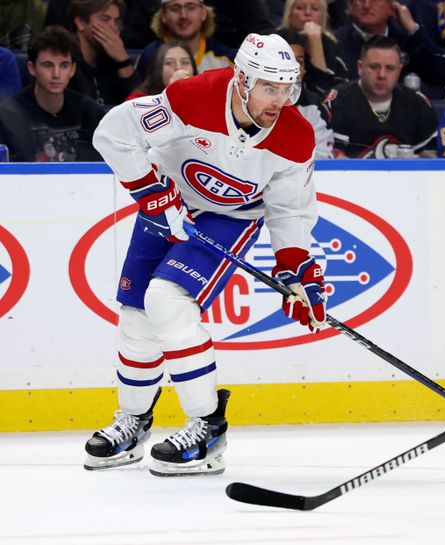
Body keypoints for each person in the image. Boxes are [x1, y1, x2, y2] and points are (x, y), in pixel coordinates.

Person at [85, 32, 325, 476]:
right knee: (136, 313)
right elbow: (113, 134)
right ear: (242, 80)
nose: (280, 100)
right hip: (167, 201)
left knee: (166, 300)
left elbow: (290, 210)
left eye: (287, 88)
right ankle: (134, 421)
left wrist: (296, 271)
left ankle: (208, 428)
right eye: (270, 88)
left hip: (230, 217)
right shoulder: (191, 96)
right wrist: (153, 197)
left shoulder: (295, 135)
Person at [0, 26, 105, 162]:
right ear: (32, 68)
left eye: (64, 65)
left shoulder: (89, 111)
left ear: (72, 69)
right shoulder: (10, 114)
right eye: (48, 65)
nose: (56, 74)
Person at [322, 35, 439, 158]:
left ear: (399, 70)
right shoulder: (338, 101)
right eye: (374, 67)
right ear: (360, 68)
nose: (382, 75)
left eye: (390, 68)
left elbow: (431, 157)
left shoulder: (418, 103)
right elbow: (333, 158)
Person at [332, 0, 445, 89]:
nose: (367, 5)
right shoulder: (334, 42)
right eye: (361, 0)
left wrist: (413, 29)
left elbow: (442, 74)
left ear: (391, 7)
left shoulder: (407, 40)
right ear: (351, 5)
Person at [274, 27, 335, 158]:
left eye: (298, 62)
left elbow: (323, 157)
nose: (293, 68)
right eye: (286, 60)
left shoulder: (313, 106)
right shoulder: (249, 99)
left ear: (304, 69)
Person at [67, 0, 142, 107]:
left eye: (116, 21)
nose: (113, 28)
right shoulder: (65, 63)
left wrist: (123, 60)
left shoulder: (113, 61)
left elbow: (140, 108)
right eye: (104, 19)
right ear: (80, 23)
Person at [135, 0, 235, 78]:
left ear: (203, 13)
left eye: (191, 7)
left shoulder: (224, 57)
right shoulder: (150, 56)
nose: (183, 15)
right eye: (175, 8)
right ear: (163, 15)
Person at [280, 0, 349, 96]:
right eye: (300, 8)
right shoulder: (275, 40)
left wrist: (315, 41)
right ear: (289, 14)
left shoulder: (333, 45)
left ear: (323, 16)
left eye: (315, 9)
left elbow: (328, 93)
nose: (307, 12)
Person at [126, 40, 197, 100]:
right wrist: (171, 91)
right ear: (157, 69)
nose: (178, 67)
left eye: (185, 62)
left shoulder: (203, 94)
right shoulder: (138, 99)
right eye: (169, 63)